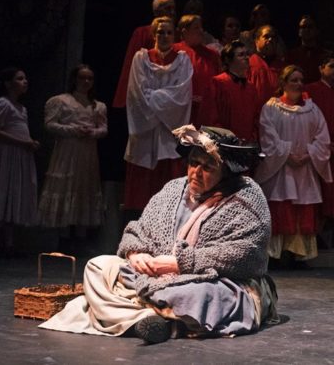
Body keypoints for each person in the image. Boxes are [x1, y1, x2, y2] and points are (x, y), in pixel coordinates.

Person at [39, 125, 278, 344]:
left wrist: (180, 264)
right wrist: (135, 253)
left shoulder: (247, 198)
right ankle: (157, 319)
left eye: (207, 167)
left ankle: (140, 317)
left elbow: (245, 254)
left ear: (226, 171)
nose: (195, 172)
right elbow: (138, 229)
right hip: (153, 275)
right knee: (98, 267)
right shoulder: (174, 189)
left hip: (211, 280)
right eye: (193, 163)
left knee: (200, 295)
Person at [254, 65, 332, 263]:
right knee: (282, 206)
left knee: (302, 210)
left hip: (305, 167)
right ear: (283, 83)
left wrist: (309, 154)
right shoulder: (271, 108)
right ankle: (276, 255)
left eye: (300, 80)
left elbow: (322, 138)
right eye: (293, 80)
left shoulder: (312, 110)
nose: (298, 84)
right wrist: (287, 154)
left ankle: (298, 254)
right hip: (282, 168)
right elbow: (268, 136)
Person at [123, 16, 193, 211]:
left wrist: (154, 99)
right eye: (161, 32)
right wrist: (161, 104)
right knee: (142, 187)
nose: (165, 36)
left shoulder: (182, 61)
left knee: (168, 188)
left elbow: (180, 96)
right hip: (145, 131)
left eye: (169, 32)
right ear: (154, 34)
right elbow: (137, 94)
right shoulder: (141, 58)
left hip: (168, 130)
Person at [38, 65, 108, 234]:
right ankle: (62, 233)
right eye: (82, 78)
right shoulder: (60, 101)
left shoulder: (98, 106)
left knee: (85, 188)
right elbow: (50, 124)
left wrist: (92, 132)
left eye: (89, 78)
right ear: (74, 80)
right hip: (68, 151)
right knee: (66, 187)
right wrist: (73, 129)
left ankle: (80, 234)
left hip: (87, 152)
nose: (86, 82)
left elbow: (104, 129)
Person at [0, 68, 39, 255]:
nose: (25, 82)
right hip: (5, 154)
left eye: (25, 78)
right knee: (1, 191)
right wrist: (25, 142)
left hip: (19, 155)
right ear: (8, 83)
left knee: (14, 194)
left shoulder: (22, 108)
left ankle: (9, 242)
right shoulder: (0, 104)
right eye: (19, 79)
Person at [304, 57, 334, 224]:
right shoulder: (309, 91)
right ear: (321, 68)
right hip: (316, 151)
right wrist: (321, 145)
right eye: (331, 66)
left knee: (332, 195)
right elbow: (306, 121)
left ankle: (328, 231)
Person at [113, 0, 176, 108]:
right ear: (156, 11)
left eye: (173, 8)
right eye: (168, 8)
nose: (172, 12)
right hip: (144, 90)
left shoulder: (174, 34)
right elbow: (131, 64)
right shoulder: (142, 33)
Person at [175, 14, 220, 127]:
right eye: (196, 28)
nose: (201, 31)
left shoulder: (212, 54)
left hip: (206, 111)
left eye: (201, 27)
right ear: (185, 31)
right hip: (182, 110)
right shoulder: (175, 51)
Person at [212, 40, 260, 142]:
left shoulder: (251, 88)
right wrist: (228, 141)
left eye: (247, 54)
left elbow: (256, 118)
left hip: (247, 147)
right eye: (241, 55)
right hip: (223, 145)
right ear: (228, 60)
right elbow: (210, 118)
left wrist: (251, 140)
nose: (247, 57)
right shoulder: (217, 83)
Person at [285, 15, 333, 84]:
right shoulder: (291, 55)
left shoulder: (326, 56)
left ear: (316, 31)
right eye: (303, 27)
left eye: (310, 27)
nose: (307, 30)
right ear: (299, 32)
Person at [248, 25, 286, 104]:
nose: (270, 39)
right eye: (266, 36)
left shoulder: (284, 68)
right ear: (256, 41)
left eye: (273, 37)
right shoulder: (248, 64)